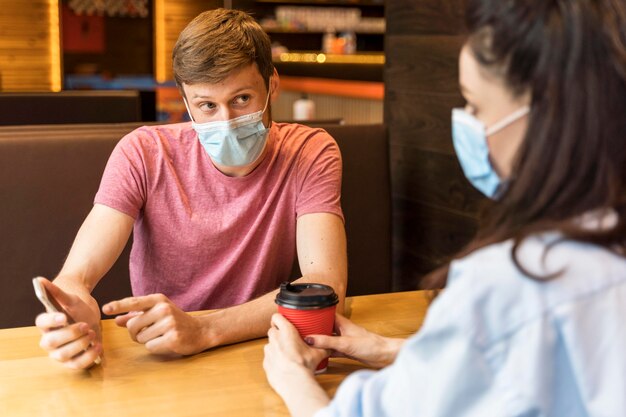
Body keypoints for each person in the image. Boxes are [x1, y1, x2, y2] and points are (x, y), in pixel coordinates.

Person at [263, 0, 626, 416]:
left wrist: (292, 377)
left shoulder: (514, 286)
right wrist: (396, 350)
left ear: (546, 118)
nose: (466, 122)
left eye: (474, 105)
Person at [35, 8, 347, 369]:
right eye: (207, 106)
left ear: (272, 84)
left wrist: (203, 330)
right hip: (162, 353)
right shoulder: (144, 153)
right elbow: (78, 275)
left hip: (260, 349)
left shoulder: (310, 151)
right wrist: (72, 302)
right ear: (185, 102)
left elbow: (325, 285)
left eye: (242, 99)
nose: (226, 122)